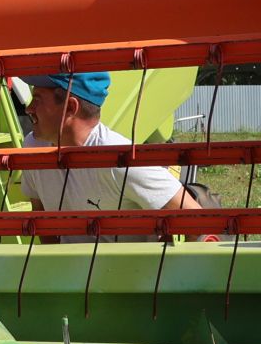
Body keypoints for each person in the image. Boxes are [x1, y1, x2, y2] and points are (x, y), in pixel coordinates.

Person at [18, 72, 203, 240]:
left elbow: (196, 219)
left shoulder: (120, 160)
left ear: (70, 107)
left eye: (38, 99)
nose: (29, 109)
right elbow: (41, 218)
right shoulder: (34, 148)